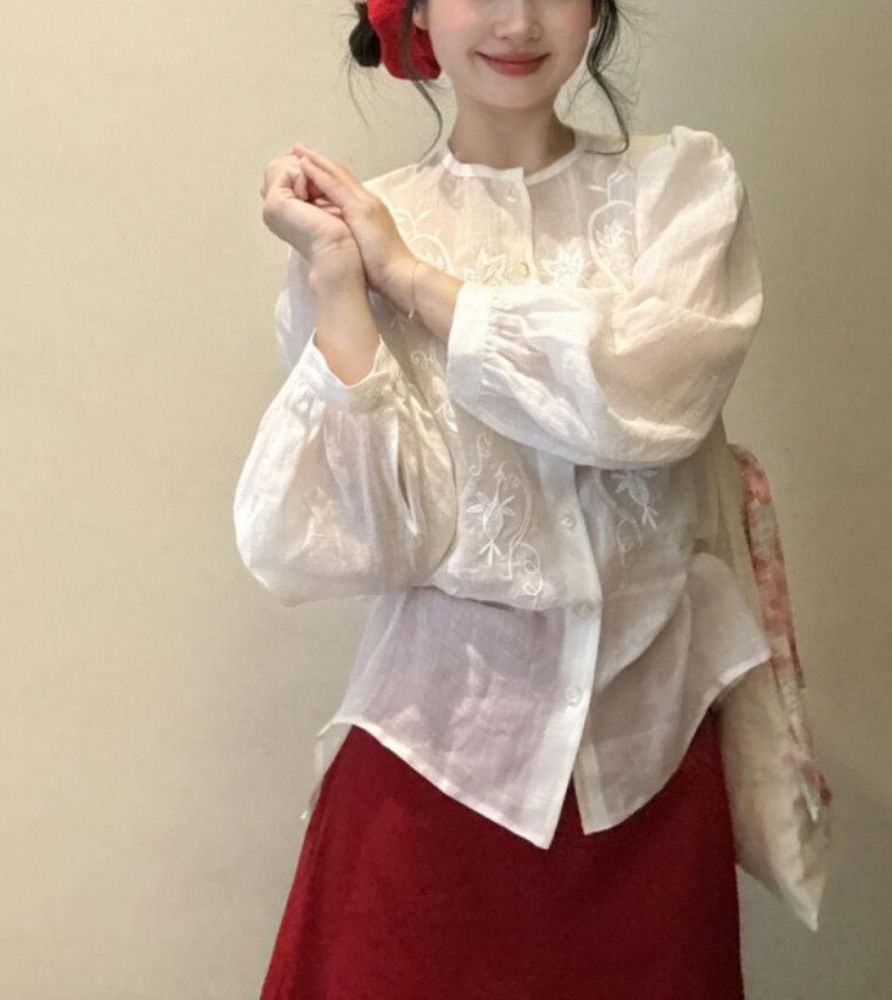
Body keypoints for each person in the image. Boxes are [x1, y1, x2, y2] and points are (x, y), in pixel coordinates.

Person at [234, 0, 773, 995]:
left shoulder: (680, 190)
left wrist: (410, 276)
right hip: (429, 780)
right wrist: (342, 284)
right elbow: (374, 540)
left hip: (648, 781)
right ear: (415, 11)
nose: (518, 21)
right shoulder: (352, 228)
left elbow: (639, 400)